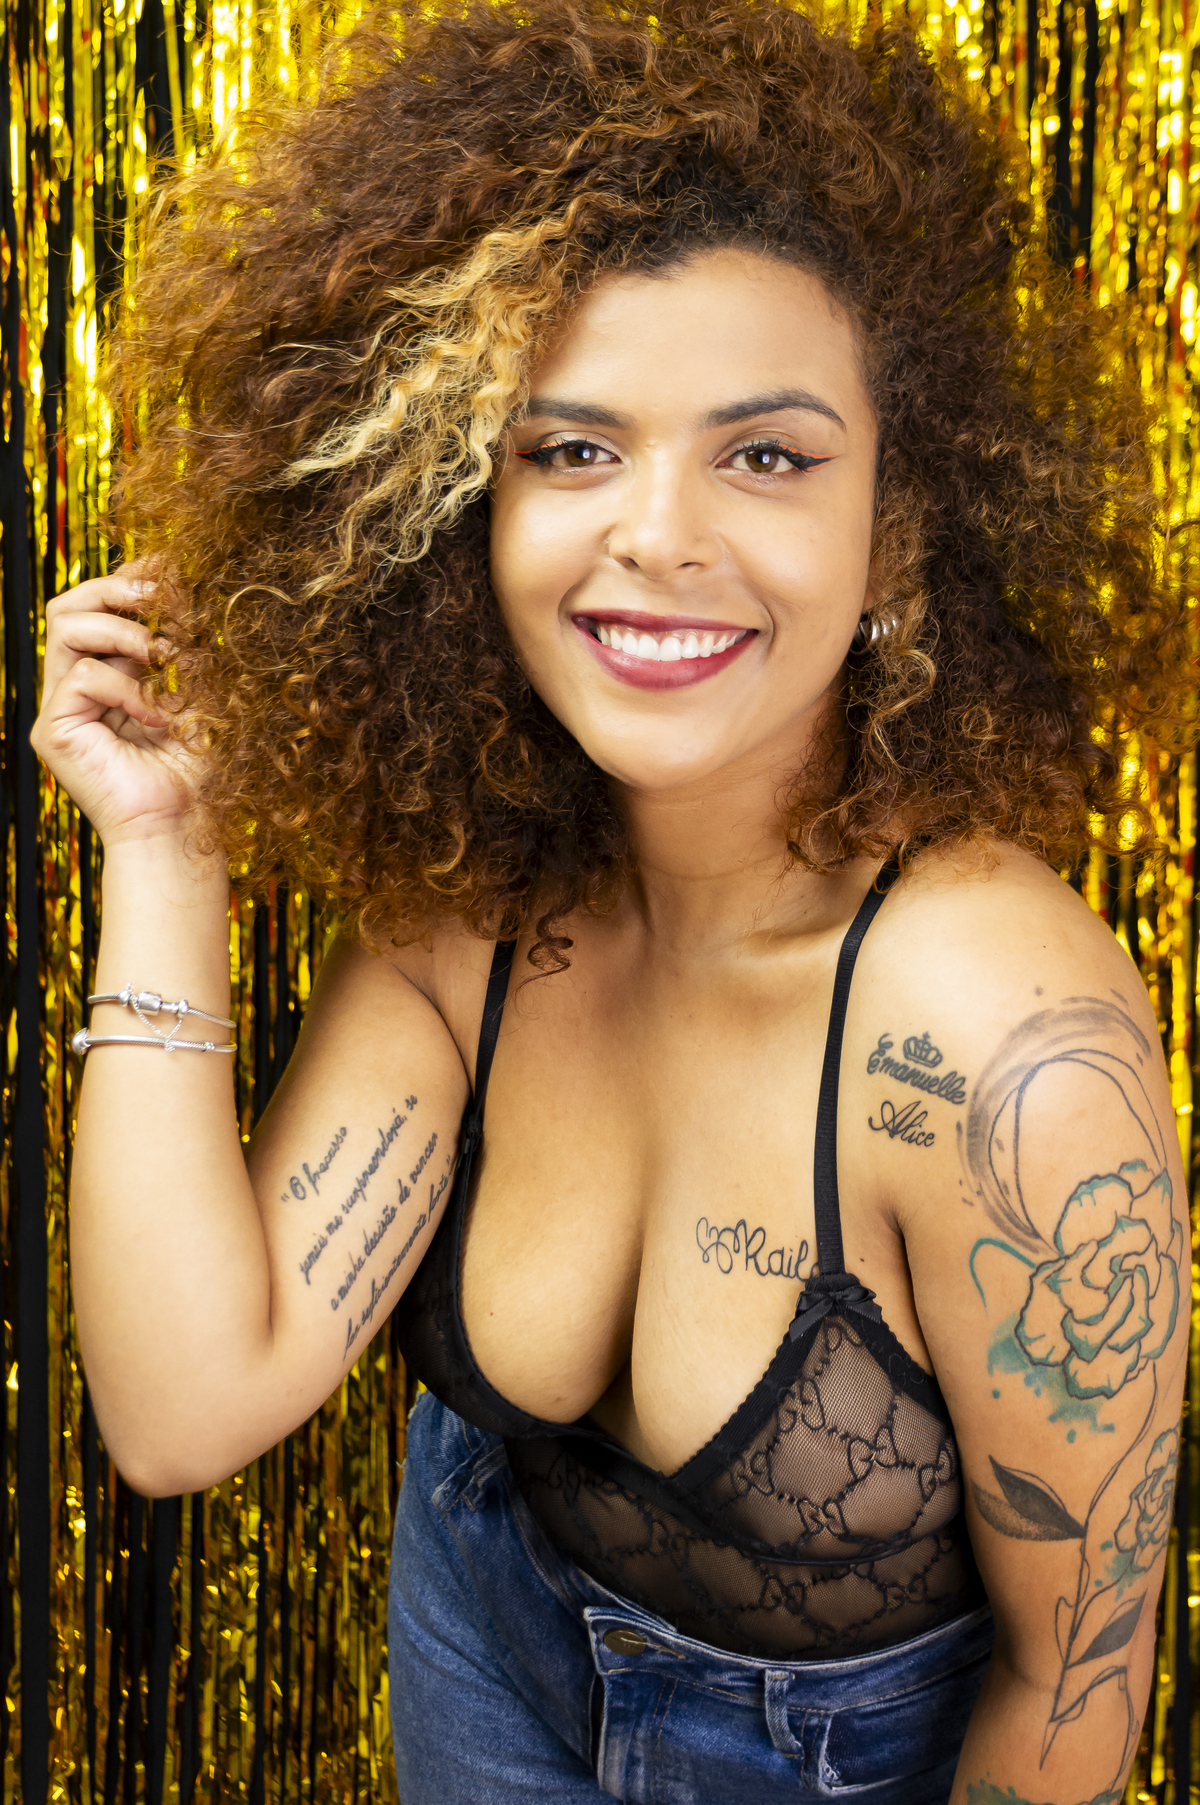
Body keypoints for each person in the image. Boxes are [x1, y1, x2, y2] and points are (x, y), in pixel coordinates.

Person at [32, 1, 1191, 1798]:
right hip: (482, 1642)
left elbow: (1071, 1687)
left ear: (897, 528)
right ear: (468, 511)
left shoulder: (998, 1044)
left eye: (767, 454)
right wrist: (169, 849)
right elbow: (184, 1408)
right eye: (572, 450)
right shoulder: (471, 907)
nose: (658, 534)